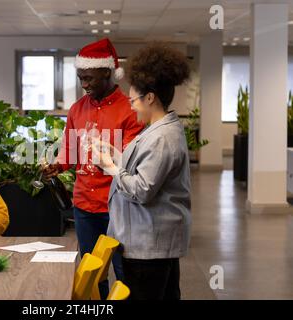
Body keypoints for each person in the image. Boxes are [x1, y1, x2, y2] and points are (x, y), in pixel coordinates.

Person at [44, 38, 145, 299]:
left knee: (125, 272)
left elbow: (131, 160)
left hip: (118, 205)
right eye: (81, 79)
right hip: (84, 205)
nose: (84, 85)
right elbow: (70, 148)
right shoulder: (78, 108)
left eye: (89, 78)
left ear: (108, 73)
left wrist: (108, 158)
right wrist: (57, 164)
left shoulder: (130, 110)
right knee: (92, 272)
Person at [92, 42, 192, 300]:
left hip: (148, 247)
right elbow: (141, 167)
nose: (131, 106)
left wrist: (111, 168)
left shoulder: (162, 137)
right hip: (148, 242)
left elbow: (142, 189)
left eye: (133, 100)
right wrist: (114, 154)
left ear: (150, 98)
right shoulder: (158, 130)